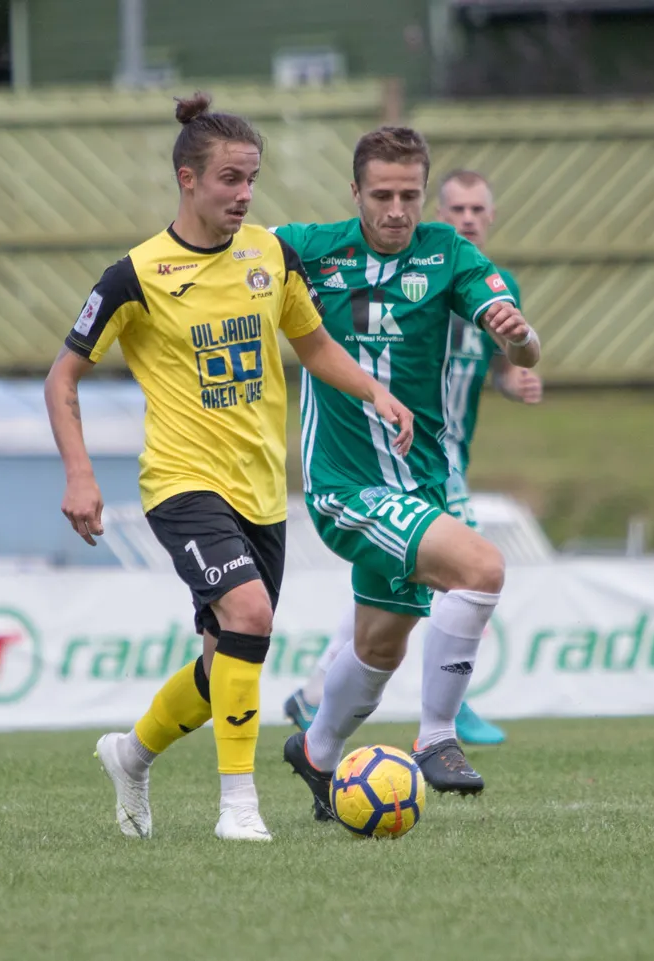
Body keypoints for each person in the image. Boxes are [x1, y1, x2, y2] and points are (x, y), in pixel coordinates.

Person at [43, 92, 413, 842]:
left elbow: (311, 345)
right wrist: (80, 475)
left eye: (252, 179)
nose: (245, 194)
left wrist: (376, 389)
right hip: (181, 483)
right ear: (188, 179)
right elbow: (62, 377)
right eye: (230, 179)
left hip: (260, 490)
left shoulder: (270, 255)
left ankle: (131, 752)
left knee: (225, 664)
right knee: (250, 615)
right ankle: (238, 806)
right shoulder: (136, 276)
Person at [273, 128, 541, 818]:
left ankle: (318, 750)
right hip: (345, 484)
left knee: (378, 646)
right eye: (383, 194)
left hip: (416, 484)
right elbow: (227, 258)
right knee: (481, 567)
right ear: (355, 192)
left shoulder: (448, 252)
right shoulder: (307, 247)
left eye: (410, 196)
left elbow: (523, 341)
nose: (397, 209)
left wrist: (519, 337)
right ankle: (437, 737)